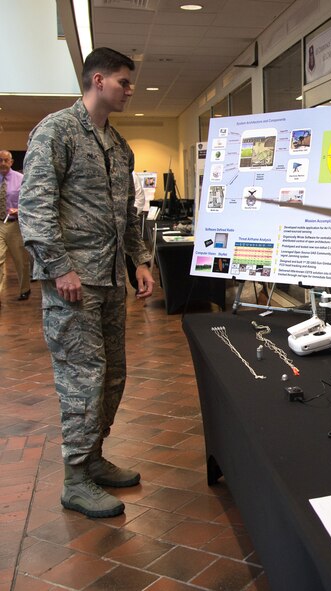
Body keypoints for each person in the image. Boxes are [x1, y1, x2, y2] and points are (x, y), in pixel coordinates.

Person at [19, 47, 155, 518]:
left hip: (110, 280)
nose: (130, 90)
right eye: (124, 82)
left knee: (114, 374)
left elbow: (127, 213)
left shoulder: (119, 146)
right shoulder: (55, 132)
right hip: (72, 283)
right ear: (98, 80)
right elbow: (35, 208)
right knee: (82, 378)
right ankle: (74, 478)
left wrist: (138, 261)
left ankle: (93, 458)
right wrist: (59, 268)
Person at [0, 150, 31, 305]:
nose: (3, 163)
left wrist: (19, 210)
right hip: (0, 224)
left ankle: (24, 289)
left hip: (15, 224)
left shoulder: (21, 179)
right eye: (0, 160)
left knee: (20, 260)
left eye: (6, 160)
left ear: (11, 162)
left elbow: (29, 201)